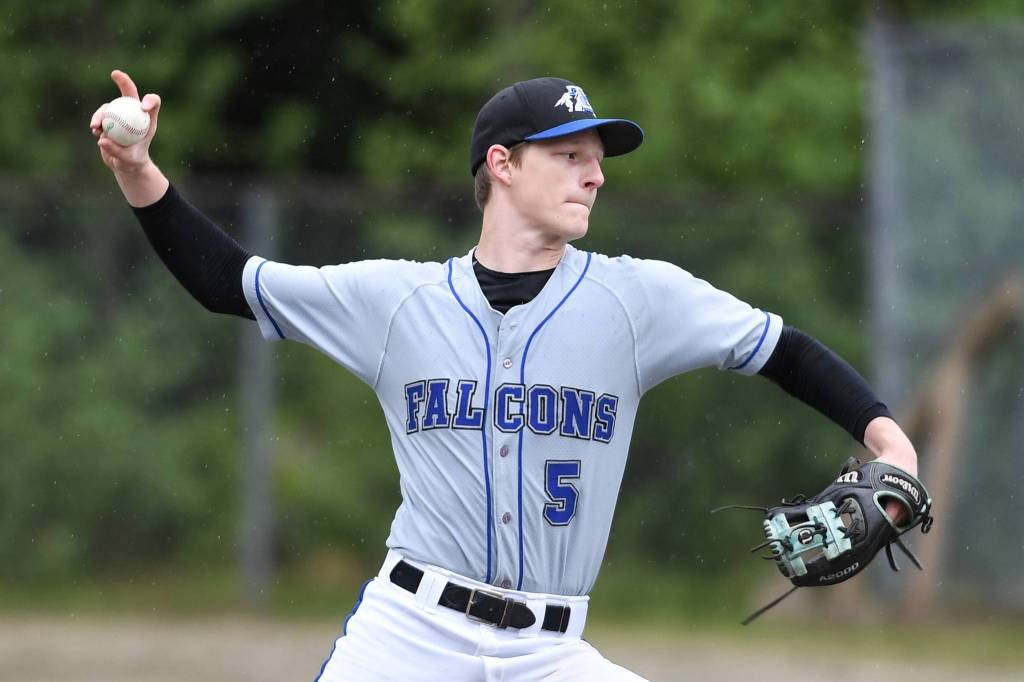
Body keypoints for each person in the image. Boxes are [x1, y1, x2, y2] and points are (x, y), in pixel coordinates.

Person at [92, 70, 920, 681]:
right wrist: (139, 174)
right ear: (503, 165)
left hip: (551, 653)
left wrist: (889, 439)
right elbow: (227, 281)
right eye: (570, 154)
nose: (594, 173)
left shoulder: (640, 299)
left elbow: (785, 351)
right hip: (408, 635)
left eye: (598, 158)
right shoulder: (396, 301)